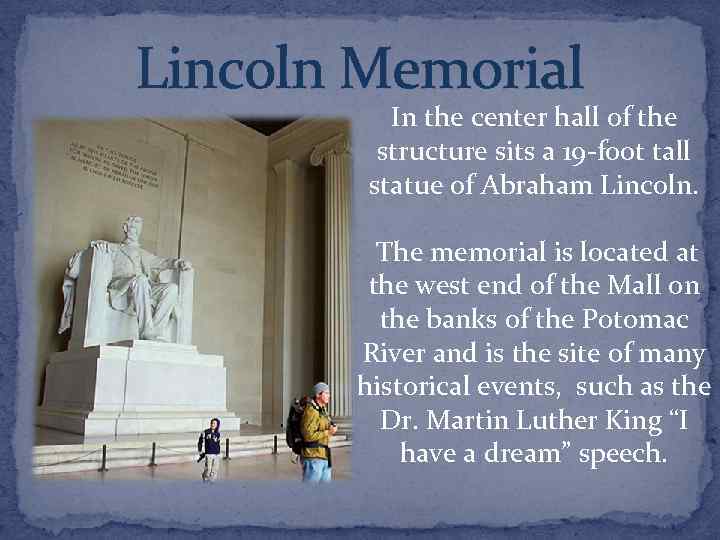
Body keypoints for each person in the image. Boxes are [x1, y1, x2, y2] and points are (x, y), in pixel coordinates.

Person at [90, 216, 192, 340]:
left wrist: (178, 263)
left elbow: (162, 262)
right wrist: (99, 245)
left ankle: (156, 331)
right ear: (125, 228)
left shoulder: (143, 253)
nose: (136, 232)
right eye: (133, 228)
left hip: (143, 286)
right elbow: (97, 245)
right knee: (141, 279)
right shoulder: (115, 248)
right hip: (122, 285)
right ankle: (146, 330)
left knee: (172, 289)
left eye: (138, 230)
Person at [300, 382, 337, 483]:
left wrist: (330, 428)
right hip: (313, 457)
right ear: (318, 394)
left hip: (324, 455)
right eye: (326, 393)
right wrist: (328, 432)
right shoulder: (311, 411)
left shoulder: (322, 410)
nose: (329, 396)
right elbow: (308, 435)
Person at [198, 418, 221, 483]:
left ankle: (212, 482)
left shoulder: (218, 433)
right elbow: (200, 441)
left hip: (216, 454)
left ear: (217, 425)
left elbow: (217, 443)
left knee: (215, 469)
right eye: (212, 423)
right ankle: (205, 477)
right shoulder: (205, 432)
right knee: (208, 469)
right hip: (209, 453)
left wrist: (218, 452)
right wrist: (200, 450)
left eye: (214, 423)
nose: (212, 424)